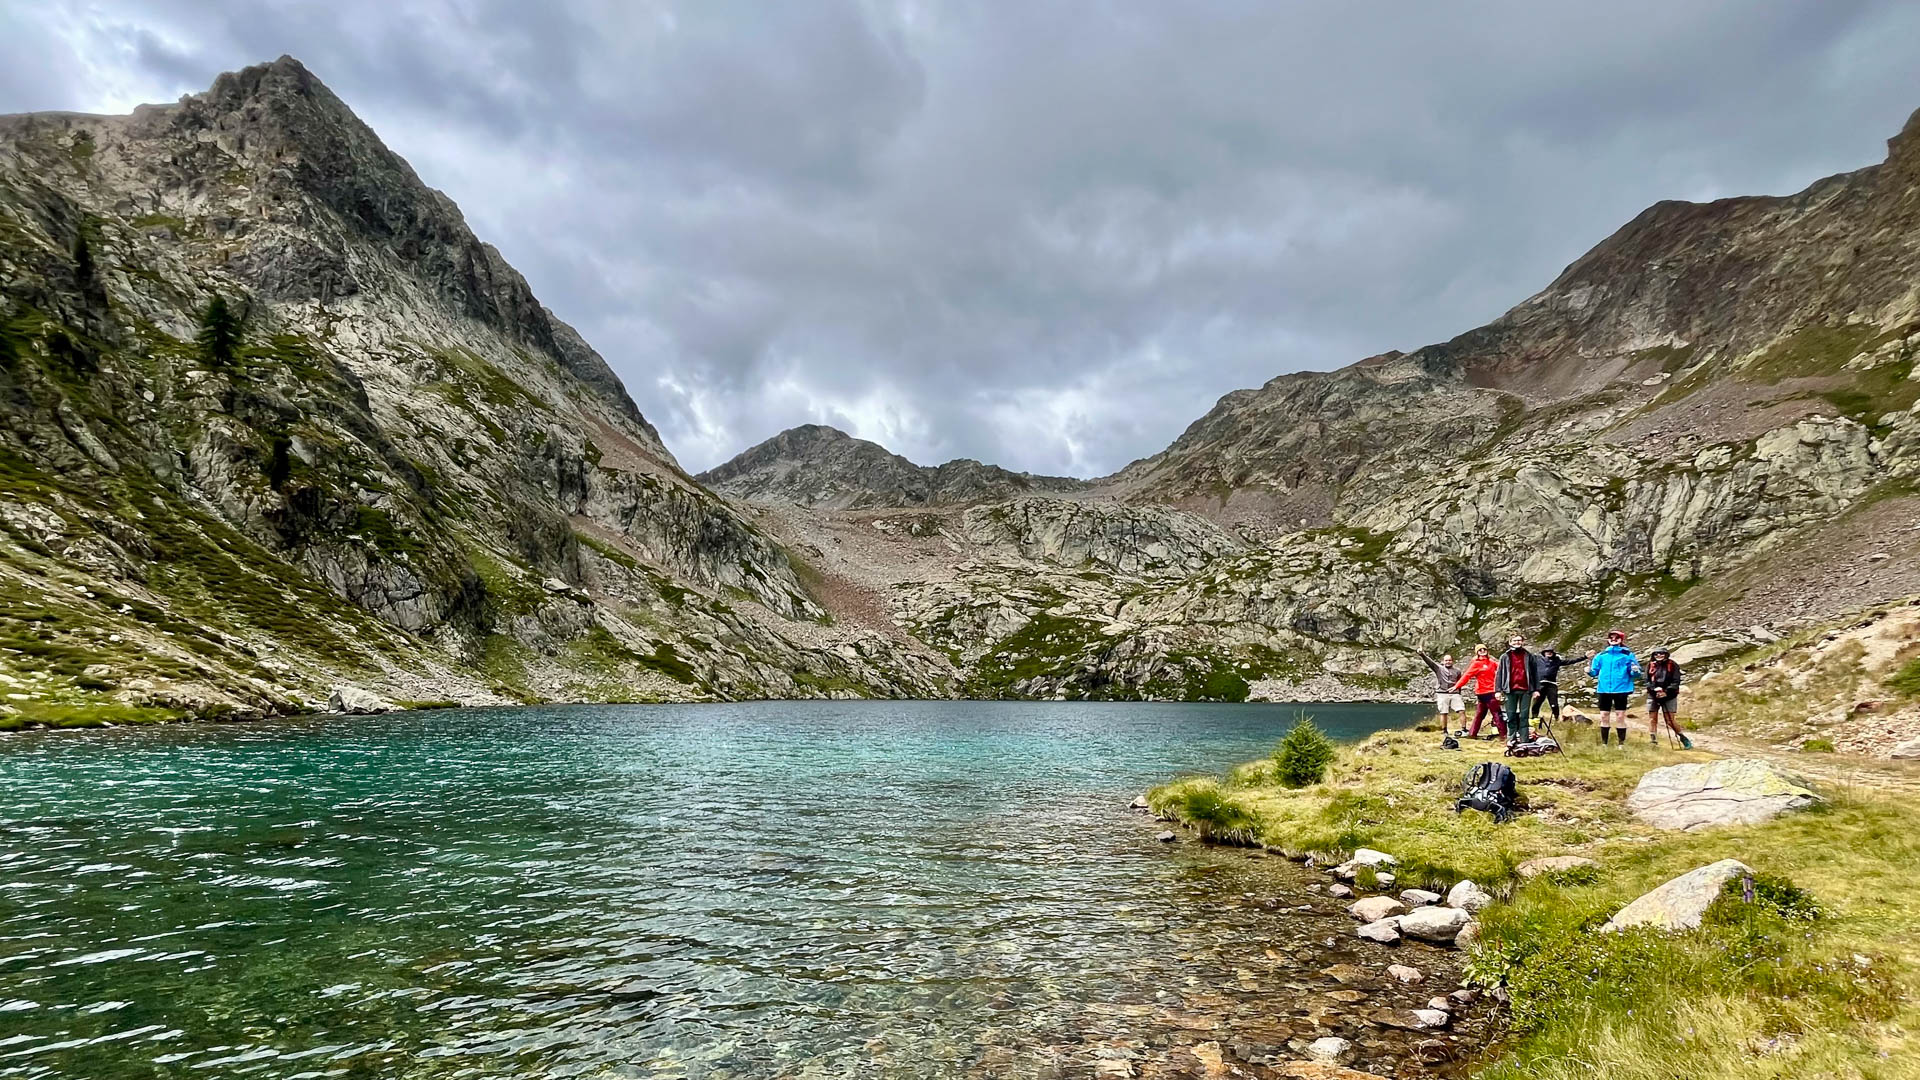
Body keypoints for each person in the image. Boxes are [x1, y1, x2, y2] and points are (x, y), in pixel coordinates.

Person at [1588, 629, 1642, 746]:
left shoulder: (1627, 655)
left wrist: (1635, 671)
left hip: (1622, 689)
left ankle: (1621, 744)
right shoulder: (1601, 656)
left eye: (1616, 638)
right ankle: (1604, 744)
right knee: (1604, 715)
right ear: (1608, 640)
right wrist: (1589, 671)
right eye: (1611, 638)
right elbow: (1594, 672)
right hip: (1604, 689)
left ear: (1621, 640)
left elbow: (1636, 673)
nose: (1613, 639)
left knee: (1620, 715)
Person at [1530, 646, 1589, 729]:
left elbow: (1571, 661)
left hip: (1551, 684)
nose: (1549, 653)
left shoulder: (1557, 661)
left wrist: (1584, 657)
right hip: (1540, 685)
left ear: (1553, 653)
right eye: (1547, 652)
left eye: (1550, 652)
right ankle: (1533, 719)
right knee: (1537, 703)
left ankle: (1557, 719)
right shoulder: (1537, 660)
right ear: (1544, 653)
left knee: (1554, 704)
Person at [1645, 647, 1693, 749]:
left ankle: (1683, 738)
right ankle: (1653, 741)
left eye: (1661, 653)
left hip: (1670, 695)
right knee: (1652, 719)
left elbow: (1676, 681)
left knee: (1670, 720)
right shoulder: (1650, 665)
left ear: (1666, 654)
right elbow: (1647, 681)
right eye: (1656, 654)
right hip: (1653, 695)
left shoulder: (1673, 665)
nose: (1659, 656)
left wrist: (1666, 692)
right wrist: (1654, 690)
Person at [1452, 644, 1502, 740]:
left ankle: (1472, 734)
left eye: (1484, 649)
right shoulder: (1476, 663)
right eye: (1480, 650)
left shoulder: (1491, 662)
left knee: (1480, 714)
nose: (1482, 651)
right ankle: (1503, 735)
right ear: (1477, 652)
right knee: (1496, 713)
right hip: (1485, 692)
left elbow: (1502, 668)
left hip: (1489, 691)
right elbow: (1467, 676)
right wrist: (1457, 686)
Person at [1494, 634, 1535, 743]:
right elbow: (1499, 674)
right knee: (1511, 716)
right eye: (1515, 640)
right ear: (1510, 642)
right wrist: (1498, 690)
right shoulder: (1505, 656)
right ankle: (1511, 739)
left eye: (1519, 640)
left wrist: (1536, 690)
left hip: (1526, 690)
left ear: (1522, 642)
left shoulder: (1528, 656)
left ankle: (1524, 740)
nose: (1517, 642)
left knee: (1524, 716)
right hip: (1510, 690)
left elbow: (1535, 673)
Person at [1416, 649, 1465, 731]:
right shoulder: (1439, 668)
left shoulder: (1457, 671)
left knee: (1461, 710)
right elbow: (1430, 662)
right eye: (1446, 660)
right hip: (1442, 693)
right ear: (1443, 661)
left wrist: (1458, 692)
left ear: (1452, 661)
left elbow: (1459, 682)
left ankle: (1464, 729)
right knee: (1444, 712)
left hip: (1455, 693)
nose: (1448, 662)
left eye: (1449, 660)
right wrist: (1422, 654)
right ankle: (1444, 730)